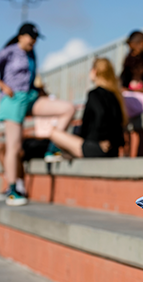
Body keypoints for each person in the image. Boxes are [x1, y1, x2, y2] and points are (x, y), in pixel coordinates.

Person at [0, 23, 75, 206]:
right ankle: (12, 189)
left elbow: (33, 79)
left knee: (67, 108)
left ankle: (52, 147)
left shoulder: (32, 54)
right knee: (14, 147)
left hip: (31, 97)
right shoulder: (9, 51)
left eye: (35, 38)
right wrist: (4, 87)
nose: (33, 41)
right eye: (30, 37)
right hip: (14, 100)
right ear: (21, 36)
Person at [37, 58, 128, 159]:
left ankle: (54, 153)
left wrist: (99, 141)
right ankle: (64, 153)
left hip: (95, 148)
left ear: (95, 71)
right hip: (112, 149)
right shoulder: (116, 95)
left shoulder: (94, 94)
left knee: (52, 132)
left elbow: (97, 118)